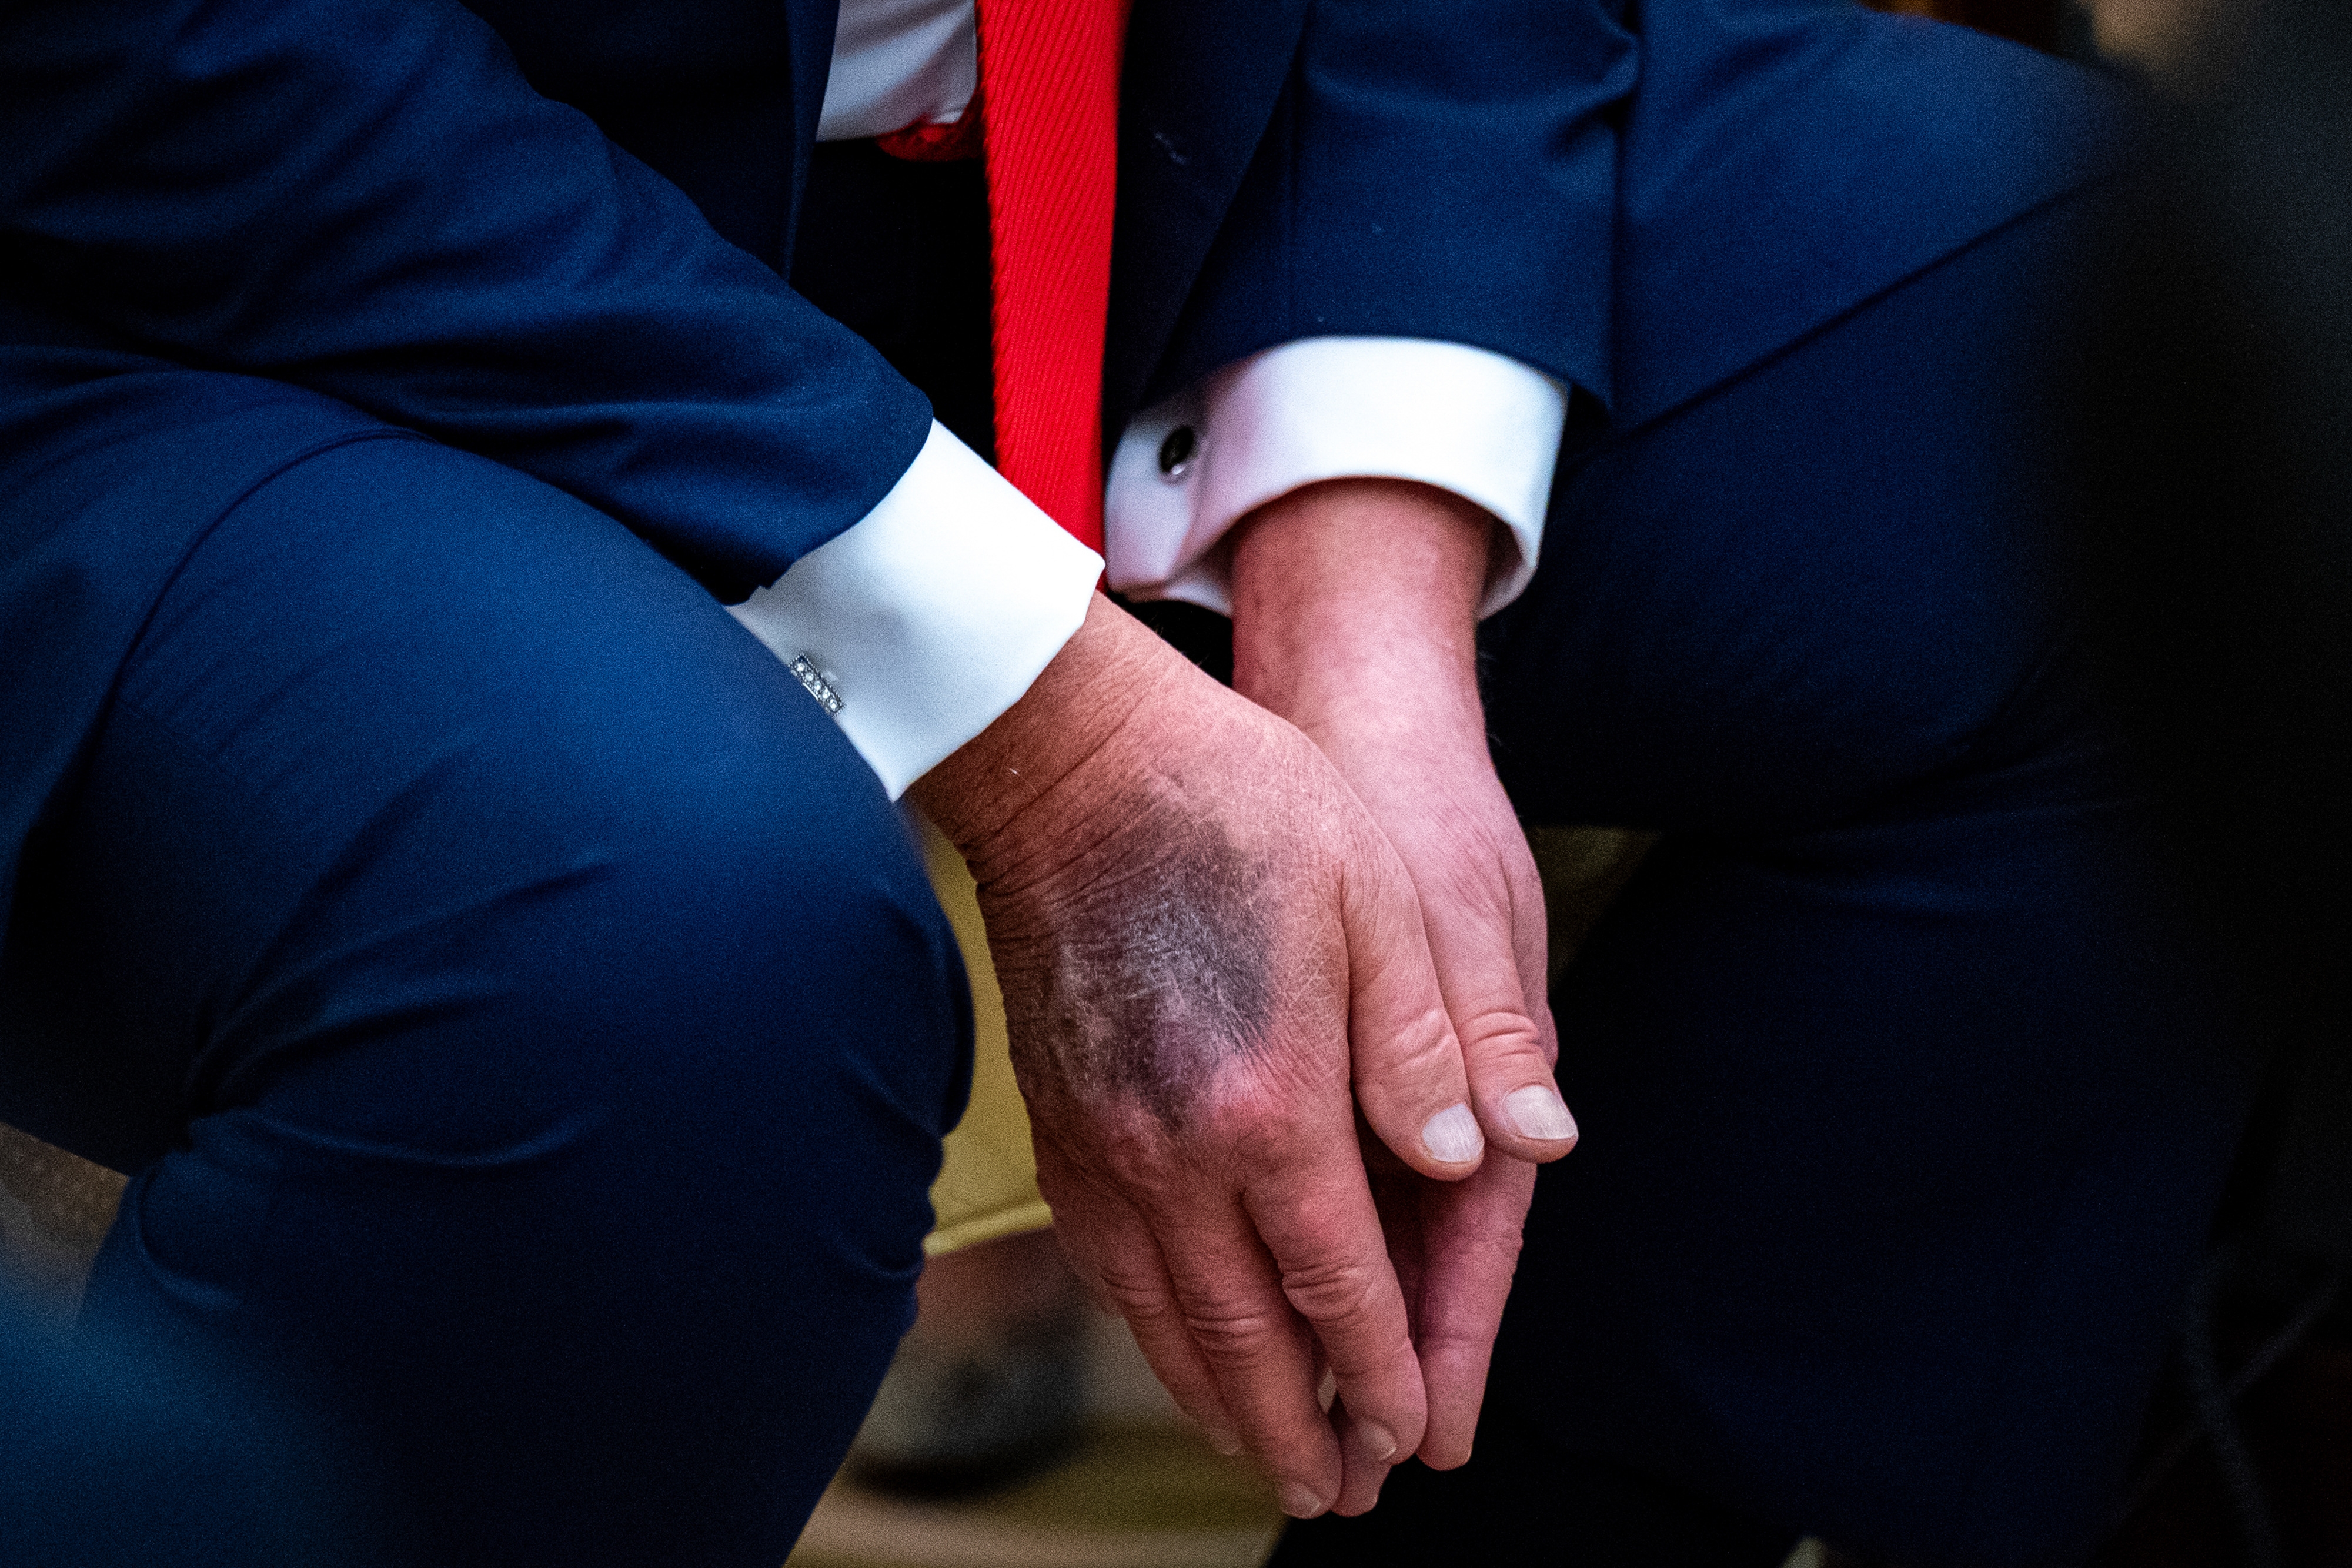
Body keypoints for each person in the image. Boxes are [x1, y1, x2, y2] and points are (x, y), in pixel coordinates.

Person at [0, 1, 1586, 1560]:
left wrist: (1372, 597)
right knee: (661, 935)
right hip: (247, 205)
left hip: (1191, 90)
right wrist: (1063, 733)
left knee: (1840, 485)